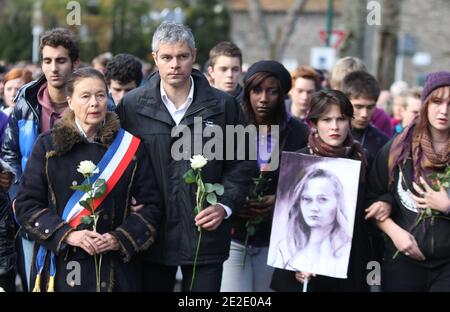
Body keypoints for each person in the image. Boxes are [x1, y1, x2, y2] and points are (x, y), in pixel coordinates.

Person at [116, 21, 255, 292]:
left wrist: (224, 205)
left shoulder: (224, 106)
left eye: (182, 56)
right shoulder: (131, 106)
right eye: (166, 57)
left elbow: (243, 161)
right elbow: (117, 162)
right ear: (154, 58)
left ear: (194, 55)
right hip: (150, 235)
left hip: (205, 236)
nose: (175, 64)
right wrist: (126, 200)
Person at [13, 67, 162, 292]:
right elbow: (26, 205)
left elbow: (151, 207)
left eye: (100, 95)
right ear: (70, 101)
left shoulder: (130, 148)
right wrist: (68, 235)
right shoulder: (47, 146)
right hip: (63, 265)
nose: (95, 103)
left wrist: (119, 238)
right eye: (85, 96)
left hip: (115, 269)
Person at [271, 89, 388, 292]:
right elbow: (284, 221)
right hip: (301, 274)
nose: (335, 127)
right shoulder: (297, 162)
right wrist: (294, 265)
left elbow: (377, 196)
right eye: (326, 120)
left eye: (341, 119)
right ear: (314, 124)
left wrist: (385, 202)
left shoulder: (362, 159)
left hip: (348, 269)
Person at [1, 28, 81, 291]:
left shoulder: (91, 100)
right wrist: (16, 198)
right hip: (32, 213)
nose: (54, 68)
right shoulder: (26, 100)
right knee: (34, 284)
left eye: (61, 60)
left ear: (75, 63)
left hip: (79, 214)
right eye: (47, 61)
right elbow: (10, 153)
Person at [220, 60, 309, 292]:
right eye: (257, 90)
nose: (263, 98)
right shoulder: (230, 125)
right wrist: (233, 201)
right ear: (247, 91)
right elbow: (216, 174)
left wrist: (279, 200)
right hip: (233, 237)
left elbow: (306, 183)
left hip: (276, 239)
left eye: (272, 91)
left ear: (282, 94)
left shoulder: (299, 132)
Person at [366, 71, 450, 291]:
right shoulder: (398, 147)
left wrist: (448, 205)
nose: (444, 111)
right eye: (437, 102)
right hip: (402, 261)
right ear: (425, 104)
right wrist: (394, 231)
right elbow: (372, 196)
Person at [272, 167, 351, 278]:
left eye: (322, 199)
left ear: (338, 203)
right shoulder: (285, 247)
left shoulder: (345, 249)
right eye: (307, 199)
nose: (314, 208)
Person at [341, 71, 390, 159]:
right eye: (358, 106)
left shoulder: (383, 144)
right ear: (345, 103)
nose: (364, 114)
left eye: (370, 107)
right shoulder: (327, 135)